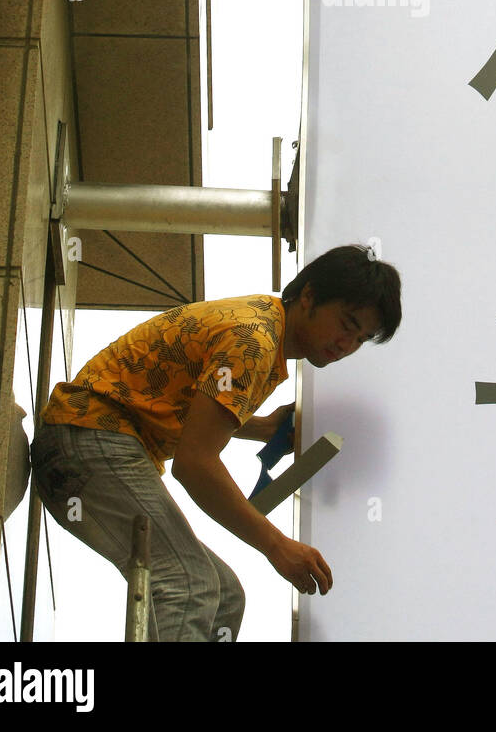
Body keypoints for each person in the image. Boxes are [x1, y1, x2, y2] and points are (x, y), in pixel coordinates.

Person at [30, 244, 401, 641]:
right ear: (308, 296)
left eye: (361, 338)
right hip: (87, 439)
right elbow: (193, 463)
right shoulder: (254, 341)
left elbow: (196, 410)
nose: (347, 344)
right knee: (189, 584)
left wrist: (261, 428)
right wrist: (276, 545)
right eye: (347, 323)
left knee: (224, 596)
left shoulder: (262, 326)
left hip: (85, 446)